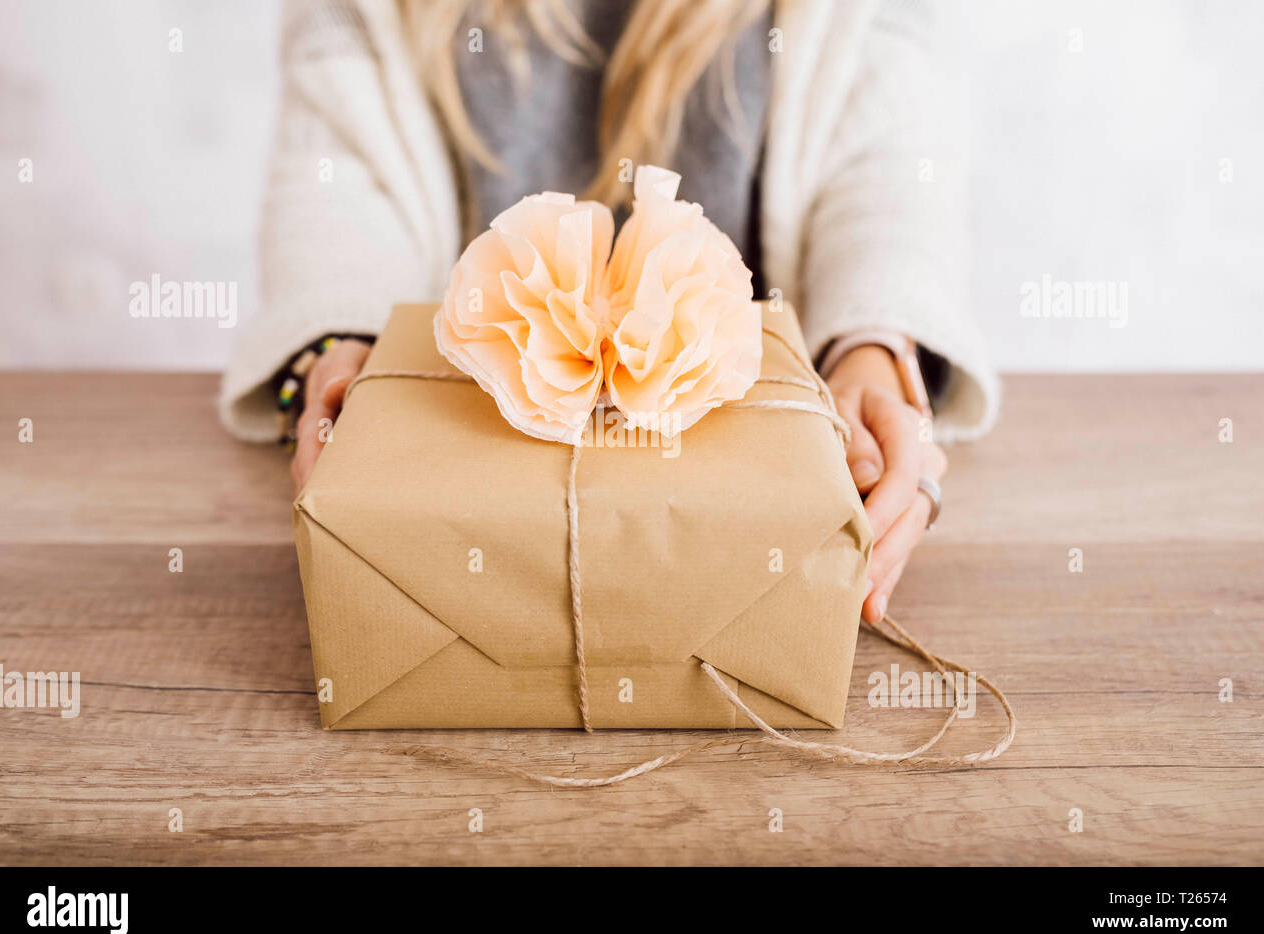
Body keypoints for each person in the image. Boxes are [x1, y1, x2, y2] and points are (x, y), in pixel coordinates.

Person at [219, 0, 998, 625]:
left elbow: (886, 171)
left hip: (747, 510)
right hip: (467, 487)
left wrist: (871, 349)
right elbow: (338, 183)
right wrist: (342, 348)